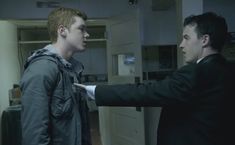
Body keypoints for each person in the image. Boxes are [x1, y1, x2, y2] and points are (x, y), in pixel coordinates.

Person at [76, 12, 235, 145]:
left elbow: (148, 92)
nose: (181, 45)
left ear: (204, 40)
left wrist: (94, 91)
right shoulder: (228, 69)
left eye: (186, 38)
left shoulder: (196, 73)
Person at [20, 7, 92, 145]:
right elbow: (35, 136)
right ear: (62, 31)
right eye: (81, 29)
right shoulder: (42, 69)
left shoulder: (71, 69)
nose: (87, 34)